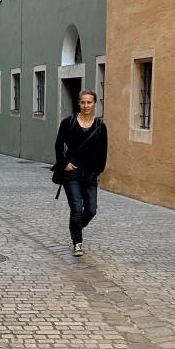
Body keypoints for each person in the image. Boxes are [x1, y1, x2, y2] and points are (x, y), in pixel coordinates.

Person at [54, 90, 108, 256]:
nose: (86, 106)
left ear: (94, 104)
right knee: (77, 208)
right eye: (83, 102)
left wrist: (97, 170)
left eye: (89, 102)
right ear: (79, 103)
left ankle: (76, 226)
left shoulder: (100, 126)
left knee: (91, 209)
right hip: (72, 174)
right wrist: (64, 163)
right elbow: (58, 144)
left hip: (91, 175)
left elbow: (103, 151)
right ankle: (77, 241)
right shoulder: (68, 122)